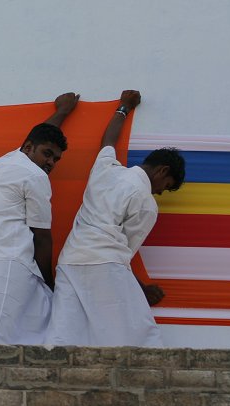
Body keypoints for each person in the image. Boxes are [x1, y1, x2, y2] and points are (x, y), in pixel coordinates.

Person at [46, 90, 185, 347]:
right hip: (105, 264)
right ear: (163, 170)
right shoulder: (145, 203)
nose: (160, 191)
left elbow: (108, 141)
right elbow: (124, 253)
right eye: (165, 186)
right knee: (139, 337)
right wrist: (141, 289)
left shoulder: (106, 169)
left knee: (63, 335)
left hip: (70, 261)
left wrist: (124, 107)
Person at [0, 92, 79, 345]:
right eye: (47, 154)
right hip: (8, 263)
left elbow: (40, 136)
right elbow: (42, 235)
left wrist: (62, 112)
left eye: (55, 159)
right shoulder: (35, 176)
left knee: (34, 328)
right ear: (28, 148)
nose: (50, 163)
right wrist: (50, 282)